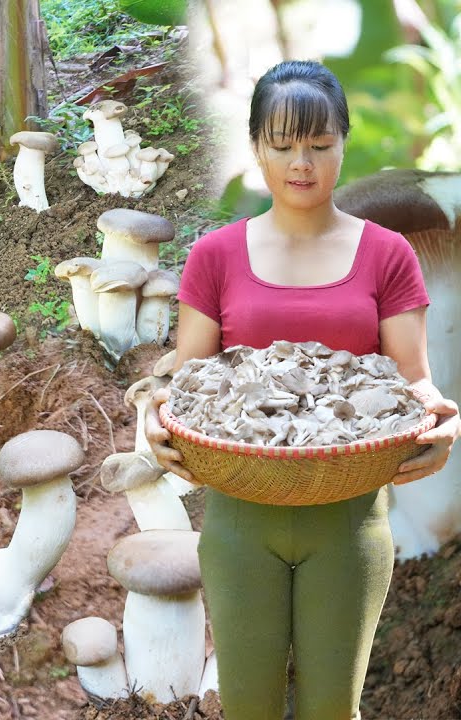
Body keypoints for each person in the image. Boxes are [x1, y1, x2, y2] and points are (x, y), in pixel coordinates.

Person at [145, 61, 460, 719]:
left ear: (344, 142)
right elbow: (187, 377)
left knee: (333, 711)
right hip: (239, 516)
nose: (303, 163)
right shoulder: (215, 256)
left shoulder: (388, 255)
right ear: (257, 145)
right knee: (248, 707)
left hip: (350, 517)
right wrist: (152, 414)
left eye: (320, 144)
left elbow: (413, 379)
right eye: (283, 144)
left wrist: (443, 422)